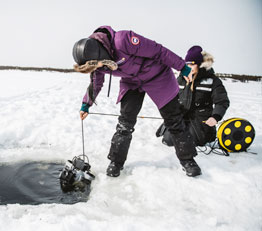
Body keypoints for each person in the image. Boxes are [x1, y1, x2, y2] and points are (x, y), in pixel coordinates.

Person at [73, 25, 201, 178]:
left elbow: (158, 51)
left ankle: (188, 160)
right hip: (131, 82)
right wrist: (86, 104)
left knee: (173, 119)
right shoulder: (95, 62)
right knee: (125, 123)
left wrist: (182, 67)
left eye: (100, 65)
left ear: (101, 53)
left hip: (157, 76)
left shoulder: (123, 40)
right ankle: (116, 162)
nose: (101, 68)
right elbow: (95, 83)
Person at [158, 46, 230, 147]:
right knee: (169, 140)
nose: (188, 67)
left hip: (200, 121)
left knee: (190, 141)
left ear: (200, 64)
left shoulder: (212, 81)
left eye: (192, 64)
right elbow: (171, 97)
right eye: (186, 64)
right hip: (181, 117)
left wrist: (215, 117)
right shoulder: (181, 79)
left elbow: (222, 101)